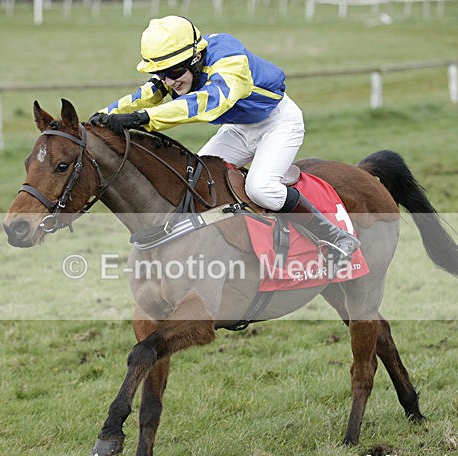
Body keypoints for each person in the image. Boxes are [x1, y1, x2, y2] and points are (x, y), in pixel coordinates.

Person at [89, 15, 359, 269]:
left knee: (261, 188)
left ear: (196, 57)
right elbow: (148, 93)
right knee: (194, 180)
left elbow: (206, 103)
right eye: (161, 74)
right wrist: (106, 114)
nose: (169, 82)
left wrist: (142, 119)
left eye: (173, 72)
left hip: (279, 123)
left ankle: (335, 236)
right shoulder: (179, 67)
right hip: (241, 128)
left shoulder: (230, 59)